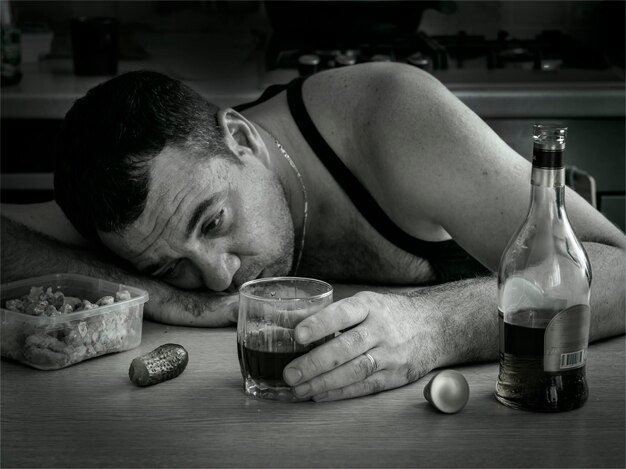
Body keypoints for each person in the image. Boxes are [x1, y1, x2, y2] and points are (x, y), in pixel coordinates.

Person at [2, 62, 624, 402]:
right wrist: (162, 298)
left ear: (241, 137)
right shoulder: (136, 206)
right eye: (169, 264)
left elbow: (615, 265)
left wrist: (436, 325)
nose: (218, 276)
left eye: (214, 222)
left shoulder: (391, 116)